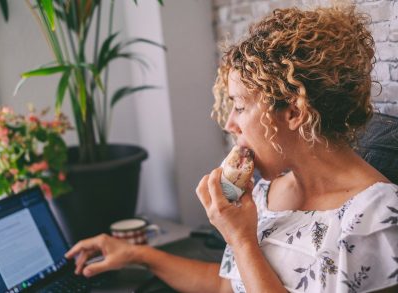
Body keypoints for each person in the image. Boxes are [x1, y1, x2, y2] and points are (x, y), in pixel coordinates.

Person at [66, 5, 398, 293]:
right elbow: (226, 285)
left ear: (295, 112)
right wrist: (137, 254)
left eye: (239, 106)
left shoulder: (376, 219)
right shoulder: (266, 192)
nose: (229, 124)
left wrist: (242, 239)